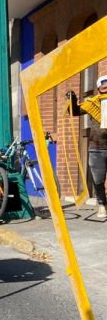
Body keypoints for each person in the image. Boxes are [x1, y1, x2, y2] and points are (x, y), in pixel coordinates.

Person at [67, 76, 107, 218]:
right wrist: (72, 98)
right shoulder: (92, 103)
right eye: (103, 84)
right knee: (98, 179)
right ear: (98, 87)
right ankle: (102, 204)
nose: (106, 86)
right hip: (97, 147)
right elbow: (74, 111)